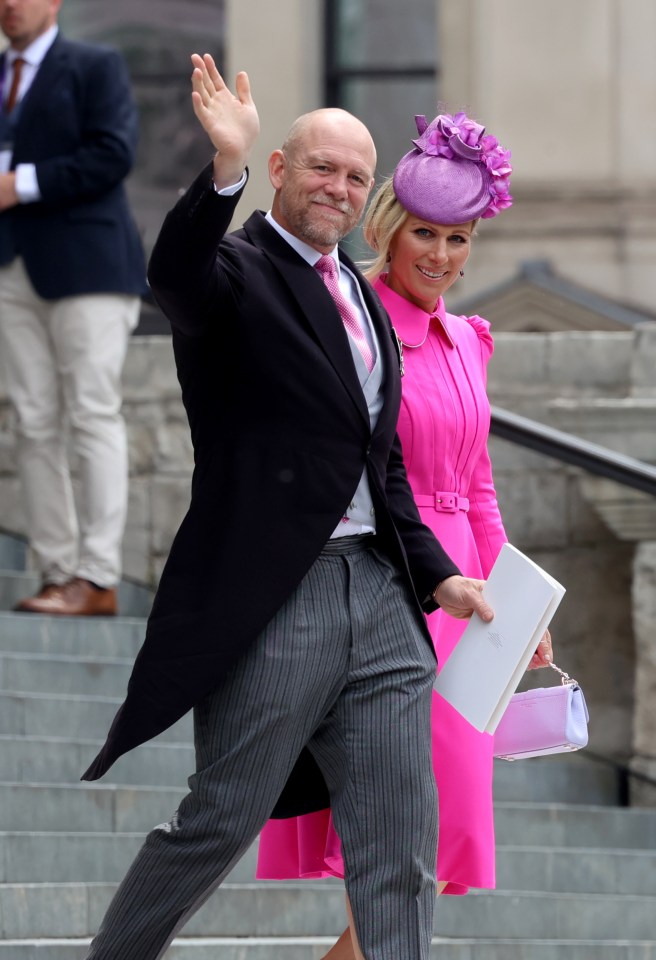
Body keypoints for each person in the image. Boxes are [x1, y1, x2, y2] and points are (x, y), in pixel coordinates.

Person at [78, 56, 497, 960]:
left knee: (397, 847)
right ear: (278, 170)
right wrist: (219, 167)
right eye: (320, 167)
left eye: (355, 176)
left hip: (383, 604)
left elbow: (377, 468)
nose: (338, 188)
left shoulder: (366, 298)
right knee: (220, 821)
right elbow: (176, 275)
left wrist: (440, 577)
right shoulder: (234, 272)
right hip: (279, 596)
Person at [256, 110, 554, 960]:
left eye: (459, 238)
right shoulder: (360, 324)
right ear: (388, 227)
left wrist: (520, 601)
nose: (441, 255)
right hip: (387, 584)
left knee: (431, 846)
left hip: (468, 602)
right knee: (401, 834)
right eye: (425, 232)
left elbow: (481, 483)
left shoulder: (469, 339)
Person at [0, 0, 147, 616]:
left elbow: (115, 153)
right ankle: (59, 571)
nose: (11, 4)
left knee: (91, 411)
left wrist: (21, 183)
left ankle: (98, 574)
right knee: (31, 421)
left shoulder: (95, 64)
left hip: (89, 266)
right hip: (11, 268)